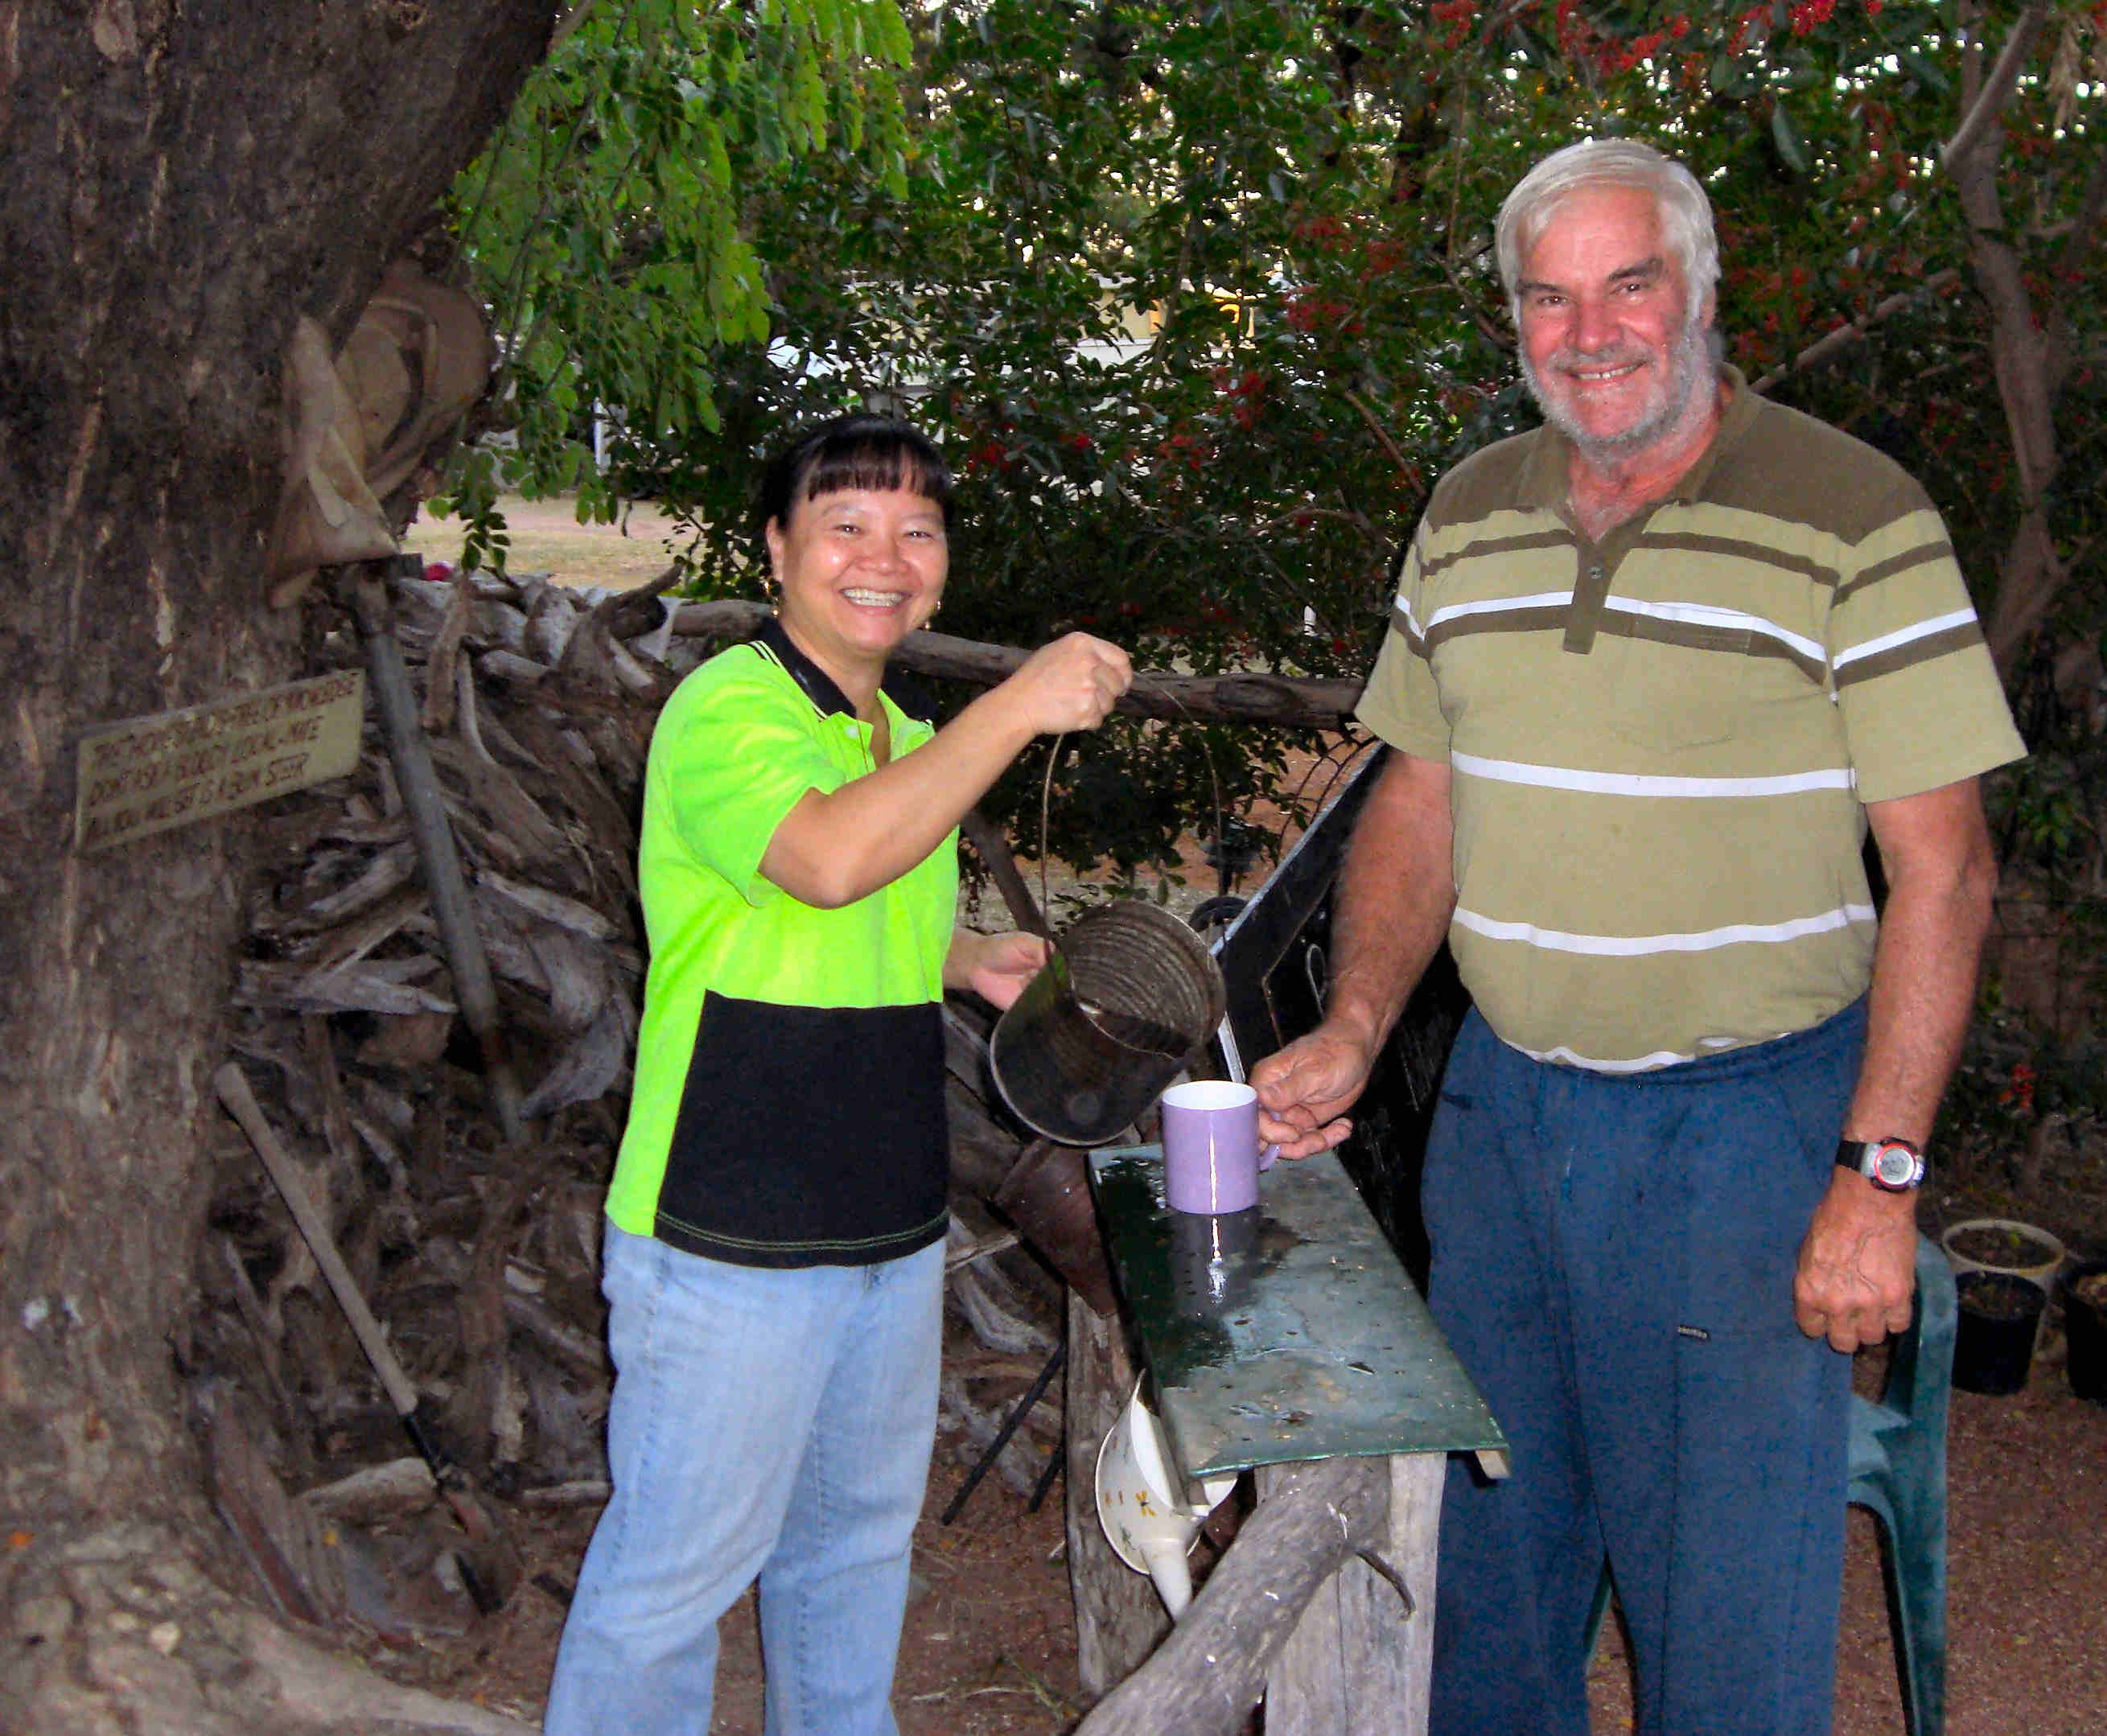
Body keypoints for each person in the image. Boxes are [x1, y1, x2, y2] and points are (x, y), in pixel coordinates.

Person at [1251, 138, 2024, 1736]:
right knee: (1490, 1569)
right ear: (1512, 318)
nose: (1587, 329)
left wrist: (1877, 1177)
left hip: (1745, 1130)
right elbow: (1418, 790)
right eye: (1548, 294)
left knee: (1723, 1603)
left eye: (1628, 283)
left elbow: (1942, 875)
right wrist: (1355, 1027)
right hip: (1504, 1112)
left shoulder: (1852, 515)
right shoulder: (1467, 515)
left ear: (1701, 289)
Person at [544, 413, 1132, 1735]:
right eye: (846, 526)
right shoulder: (726, 707)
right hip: (729, 1227)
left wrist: (968, 955)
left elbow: (843, 914)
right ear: (778, 547)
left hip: (885, 1218)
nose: (885, 557)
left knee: (852, 1559)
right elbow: (820, 860)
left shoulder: (892, 733)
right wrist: (1015, 708)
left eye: (916, 530)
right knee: (670, 1583)